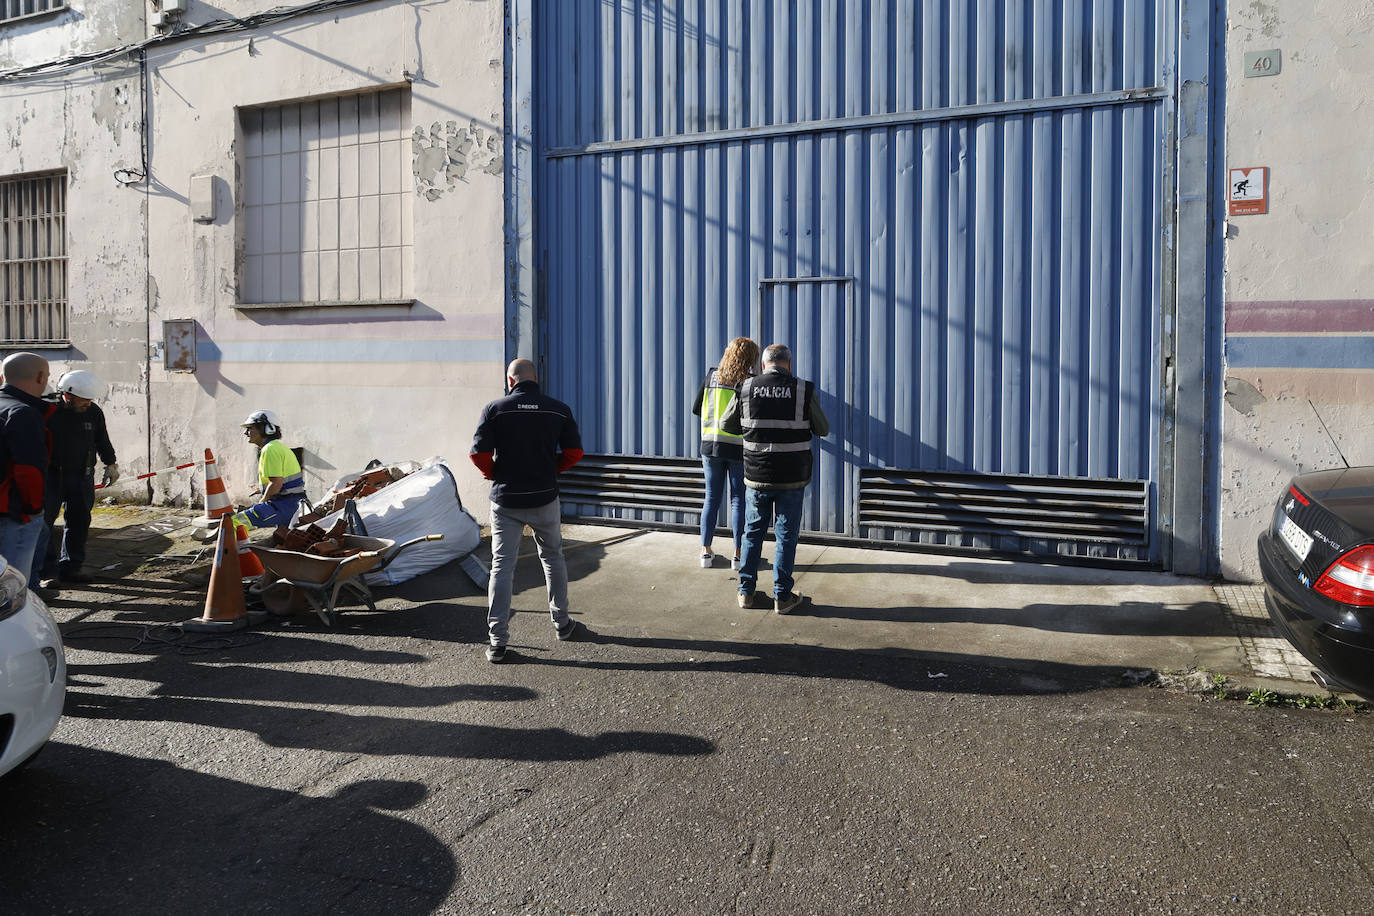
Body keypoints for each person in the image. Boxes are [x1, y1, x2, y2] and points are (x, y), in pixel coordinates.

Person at [470, 358, 584, 663]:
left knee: (501, 567)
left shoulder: (494, 409)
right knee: (553, 558)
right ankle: (562, 624)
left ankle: (497, 642)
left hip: (506, 501)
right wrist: (552, 470)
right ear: (536, 378)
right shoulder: (558, 409)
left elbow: (478, 454)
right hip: (545, 498)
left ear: (510, 381)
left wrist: (494, 474)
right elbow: (574, 453)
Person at [721, 343, 829, 614]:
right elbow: (823, 429)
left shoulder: (745, 388)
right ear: (789, 365)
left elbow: (726, 425)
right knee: (786, 536)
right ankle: (782, 596)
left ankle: (745, 592)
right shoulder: (803, 389)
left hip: (757, 475)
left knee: (753, 533)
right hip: (792, 477)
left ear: (764, 364)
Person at [34, 370, 119, 588]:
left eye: (91, 399)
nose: (88, 404)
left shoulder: (93, 412)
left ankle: (72, 567)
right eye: (84, 399)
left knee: (80, 522)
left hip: (82, 476)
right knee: (45, 525)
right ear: (68, 396)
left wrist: (110, 464)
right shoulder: (47, 412)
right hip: (51, 476)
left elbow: (102, 439)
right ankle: (47, 572)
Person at [692, 337, 759, 570]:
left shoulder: (711, 376)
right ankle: (738, 554)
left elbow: (696, 409)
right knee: (738, 499)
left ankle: (705, 551)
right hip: (738, 449)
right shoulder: (750, 382)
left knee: (711, 497)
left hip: (710, 446)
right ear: (750, 358)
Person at [0, 352, 53, 586]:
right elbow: (28, 469)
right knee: (15, 586)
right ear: (41, 377)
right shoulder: (23, 413)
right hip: (14, 511)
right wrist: (34, 508)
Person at [232, 409, 307, 529]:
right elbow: (281, 482)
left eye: (250, 428)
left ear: (265, 429)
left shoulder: (270, 449)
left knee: (232, 523)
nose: (246, 433)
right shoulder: (277, 447)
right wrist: (262, 489)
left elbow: (276, 483)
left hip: (284, 505)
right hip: (291, 504)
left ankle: (230, 548)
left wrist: (263, 500)